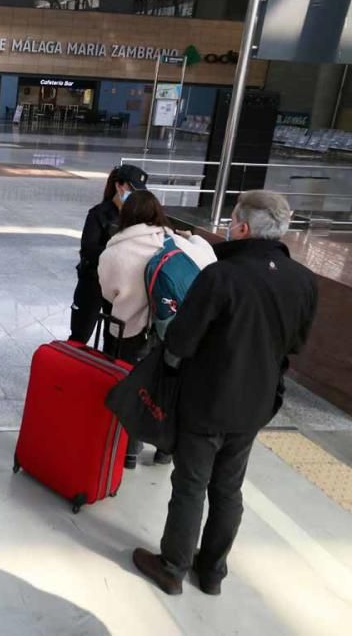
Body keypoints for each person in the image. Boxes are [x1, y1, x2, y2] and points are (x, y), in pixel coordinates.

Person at [132, 191, 318, 597]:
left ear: (244, 228)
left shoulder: (221, 276)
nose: (227, 226)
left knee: (191, 485)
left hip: (207, 401)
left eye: (232, 219)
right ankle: (213, 571)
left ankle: (172, 566)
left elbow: (181, 340)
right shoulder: (303, 281)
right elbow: (297, 344)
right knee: (229, 488)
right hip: (256, 404)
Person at [98, 186, 216, 468]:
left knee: (135, 389)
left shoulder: (116, 250)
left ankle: (129, 452)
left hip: (132, 332)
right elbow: (209, 261)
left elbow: (107, 292)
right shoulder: (177, 243)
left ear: (126, 215)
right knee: (169, 389)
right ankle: (166, 450)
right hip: (173, 331)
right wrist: (192, 237)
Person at [69, 167, 121, 344]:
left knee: (113, 339)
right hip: (93, 282)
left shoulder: (134, 217)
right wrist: (118, 253)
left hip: (118, 286)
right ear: (119, 187)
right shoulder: (98, 214)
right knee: (80, 335)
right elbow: (88, 250)